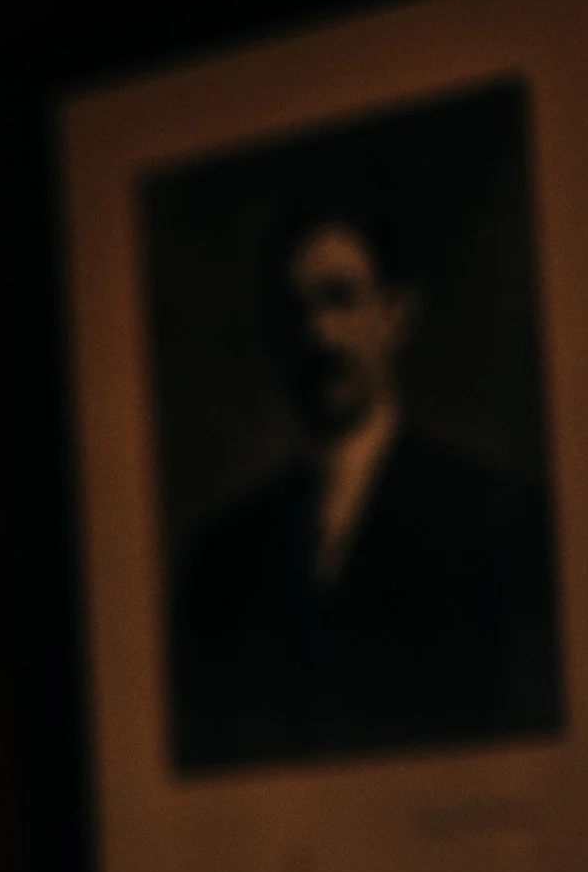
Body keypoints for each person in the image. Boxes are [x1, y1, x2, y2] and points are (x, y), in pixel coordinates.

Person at [168, 203, 562, 772]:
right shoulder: (221, 556)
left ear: (395, 315)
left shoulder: (494, 517)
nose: (318, 334)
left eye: (340, 299)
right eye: (293, 311)